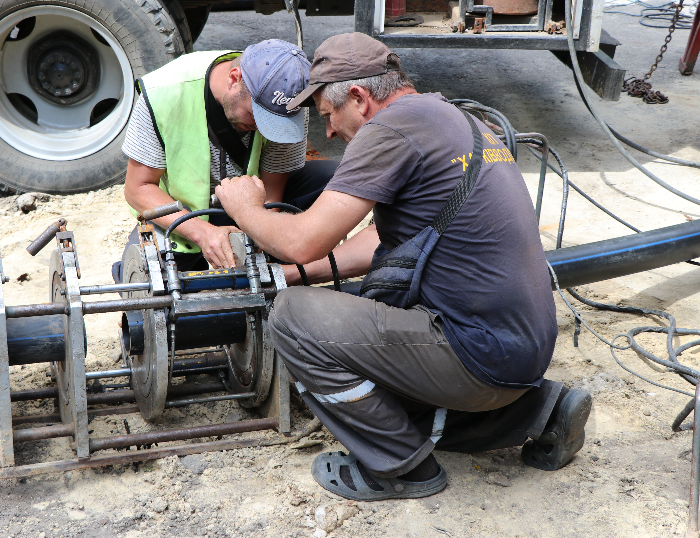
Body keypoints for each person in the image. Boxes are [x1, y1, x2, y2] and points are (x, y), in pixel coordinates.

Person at [215, 32, 592, 501]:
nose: (328, 133)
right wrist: (293, 276)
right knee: (342, 323)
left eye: (329, 116)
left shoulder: (389, 130)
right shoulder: (456, 119)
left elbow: (302, 241)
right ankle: (540, 412)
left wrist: (245, 208)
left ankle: (399, 468)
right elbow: (380, 239)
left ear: (359, 97)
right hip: (520, 352)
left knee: (292, 318)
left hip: (475, 355)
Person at [112, 39, 338, 279]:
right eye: (255, 116)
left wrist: (261, 240)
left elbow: (273, 190)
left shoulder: (287, 105)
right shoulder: (163, 92)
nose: (263, 129)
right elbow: (138, 189)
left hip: (251, 203)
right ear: (233, 79)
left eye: (274, 123)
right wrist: (204, 234)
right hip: (184, 214)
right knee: (149, 284)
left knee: (330, 179)